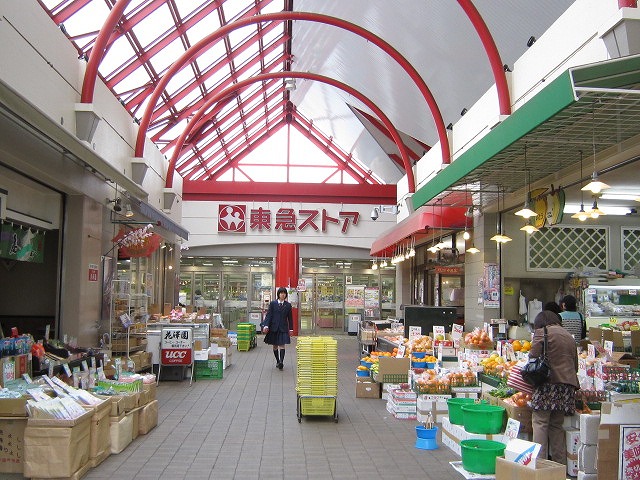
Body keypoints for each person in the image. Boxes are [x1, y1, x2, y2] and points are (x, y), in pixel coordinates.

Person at [529, 305, 579, 464]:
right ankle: (559, 465)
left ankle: (540, 464)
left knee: (540, 422)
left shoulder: (542, 332)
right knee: (557, 425)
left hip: (547, 384)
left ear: (541, 322)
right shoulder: (569, 337)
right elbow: (575, 365)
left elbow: (533, 356)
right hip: (567, 387)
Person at [261, 287, 294, 370]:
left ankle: (281, 362)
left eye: (284, 293)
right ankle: (278, 361)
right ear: (278, 294)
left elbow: (290, 318)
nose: (283, 294)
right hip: (274, 328)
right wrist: (266, 325)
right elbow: (269, 315)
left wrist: (291, 329)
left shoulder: (288, 305)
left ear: (286, 295)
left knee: (282, 345)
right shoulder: (273, 304)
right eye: (281, 293)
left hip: (283, 328)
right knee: (275, 346)